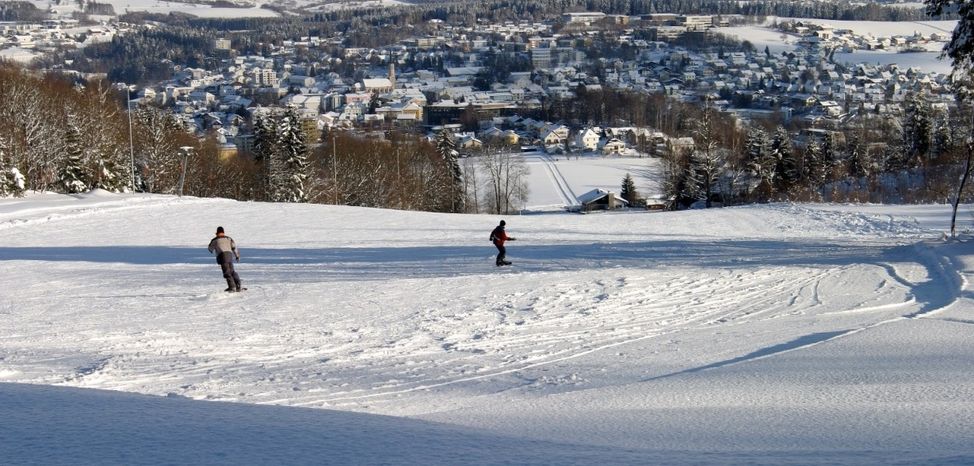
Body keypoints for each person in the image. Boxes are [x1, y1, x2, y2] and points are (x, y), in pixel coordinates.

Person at [208, 226, 242, 292]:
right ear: (223, 232)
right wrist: (237, 256)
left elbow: (210, 249)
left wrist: (215, 247)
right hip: (230, 255)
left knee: (227, 272)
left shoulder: (215, 240)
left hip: (222, 256)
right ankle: (238, 285)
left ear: (217, 233)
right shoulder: (229, 238)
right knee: (232, 271)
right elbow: (234, 248)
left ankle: (232, 287)